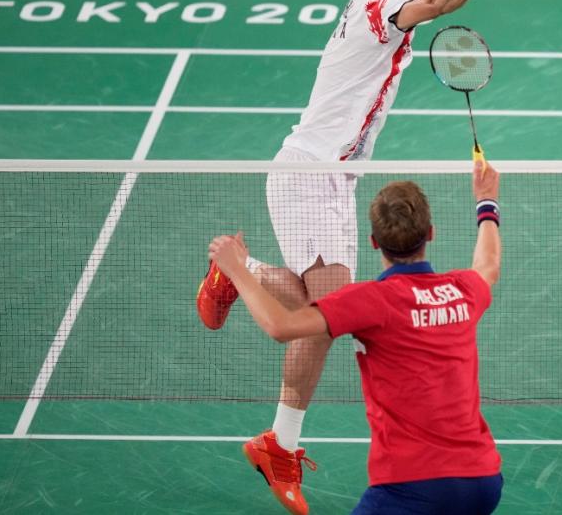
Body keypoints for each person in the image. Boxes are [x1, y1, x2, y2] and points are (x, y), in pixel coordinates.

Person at [196, 0, 507, 514]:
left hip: (337, 179)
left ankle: (241, 273)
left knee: (323, 308)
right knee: (332, 312)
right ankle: (278, 444)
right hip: (309, 171)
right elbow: (431, 5)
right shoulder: (374, 11)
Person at [208, 160, 503, 515]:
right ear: (430, 233)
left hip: (411, 487)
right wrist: (486, 202)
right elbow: (488, 264)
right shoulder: (463, 290)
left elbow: (281, 326)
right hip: (484, 480)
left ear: (374, 242)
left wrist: (238, 269)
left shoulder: (369, 302)